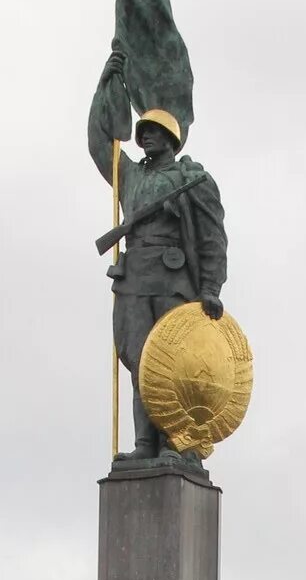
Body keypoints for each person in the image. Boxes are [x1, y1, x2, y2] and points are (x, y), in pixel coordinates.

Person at [88, 46, 227, 464]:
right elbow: (99, 144)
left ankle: (176, 443)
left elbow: (212, 239)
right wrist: (105, 86)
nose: (144, 135)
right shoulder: (130, 175)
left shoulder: (192, 179)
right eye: (141, 131)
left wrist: (210, 287)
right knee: (140, 363)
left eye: (151, 130)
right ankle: (146, 444)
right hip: (135, 278)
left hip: (173, 280)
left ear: (169, 137)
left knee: (174, 363)